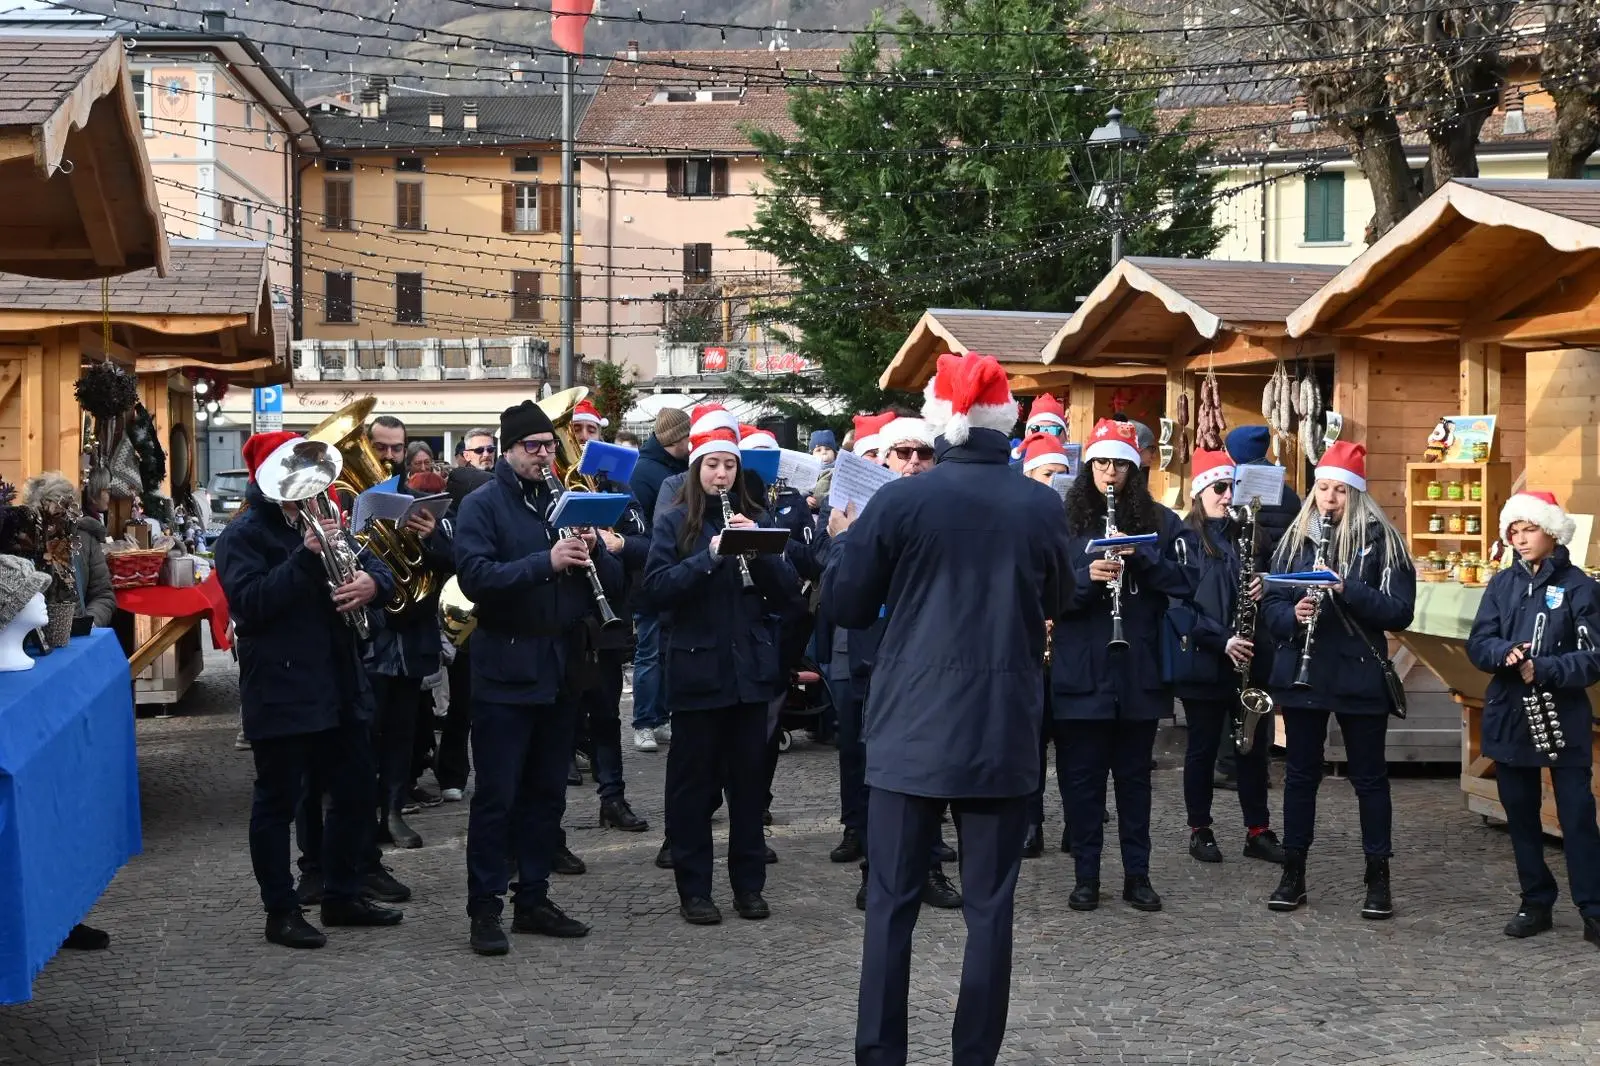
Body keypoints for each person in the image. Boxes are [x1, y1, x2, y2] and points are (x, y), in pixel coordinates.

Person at [825, 354, 1072, 1066]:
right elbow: (1061, 598)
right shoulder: (1039, 504)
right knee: (990, 910)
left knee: (890, 905)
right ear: (1004, 423)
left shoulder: (901, 500)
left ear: (943, 422)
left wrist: (843, 544)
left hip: (912, 726)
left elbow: (846, 605)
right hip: (1002, 725)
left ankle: (881, 1055)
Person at [214, 430, 405, 949]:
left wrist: (373, 584)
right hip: (282, 684)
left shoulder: (324, 517)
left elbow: (377, 569)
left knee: (354, 791)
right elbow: (250, 604)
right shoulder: (243, 535)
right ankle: (281, 910)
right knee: (278, 801)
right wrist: (304, 557)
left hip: (340, 678)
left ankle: (343, 894)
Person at [453, 400, 623, 955]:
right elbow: (475, 578)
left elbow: (612, 582)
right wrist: (544, 563)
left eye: (550, 446)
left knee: (547, 794)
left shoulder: (561, 500)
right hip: (505, 667)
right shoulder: (482, 504)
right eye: (534, 446)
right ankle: (484, 909)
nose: (545, 455)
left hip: (560, 667)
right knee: (497, 797)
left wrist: (595, 552)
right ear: (509, 449)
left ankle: (533, 898)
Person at [638, 419, 802, 925]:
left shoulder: (756, 517)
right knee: (692, 788)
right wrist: (709, 558)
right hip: (697, 671)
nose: (722, 474)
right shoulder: (674, 520)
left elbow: (788, 596)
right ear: (696, 469)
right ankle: (695, 890)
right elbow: (656, 591)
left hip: (750, 671)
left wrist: (761, 552)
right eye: (713, 465)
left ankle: (749, 887)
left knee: (749, 788)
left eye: (730, 465)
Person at [1261, 441, 1414, 920]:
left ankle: (1378, 877)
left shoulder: (1382, 541)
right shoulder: (1296, 539)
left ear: (1357, 494)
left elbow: (1399, 611)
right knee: (1300, 776)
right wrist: (1293, 614)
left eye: (1340, 490)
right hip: (1305, 673)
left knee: (1369, 779)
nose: (1329, 498)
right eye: (1323, 488)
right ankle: (1293, 872)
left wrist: (1347, 588)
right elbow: (1272, 604)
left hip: (1357, 672)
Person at [1054, 419, 1197, 914]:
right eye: (1101, 463)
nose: (1109, 472)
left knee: (1135, 782)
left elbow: (1189, 582)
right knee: (1083, 783)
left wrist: (1143, 558)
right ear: (1089, 467)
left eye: (1119, 464)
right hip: (1081, 673)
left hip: (1138, 672)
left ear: (1134, 470)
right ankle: (1086, 877)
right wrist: (1084, 578)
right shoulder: (1064, 523)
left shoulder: (1160, 522)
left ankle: (1138, 875)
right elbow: (1042, 592)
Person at [822, 414, 961, 910]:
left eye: (923, 454)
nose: (913, 462)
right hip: (872, 654)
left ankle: (930, 868)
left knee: (932, 768)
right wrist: (844, 540)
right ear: (883, 461)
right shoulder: (860, 509)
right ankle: (876, 870)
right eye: (903, 453)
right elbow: (839, 591)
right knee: (872, 770)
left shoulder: (946, 509)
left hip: (930, 657)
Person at [1467, 491, 1600, 947]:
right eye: (1514, 531)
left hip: (1564, 716)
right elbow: (1478, 642)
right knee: (1521, 817)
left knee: (1577, 817)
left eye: (1529, 529)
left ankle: (1593, 908)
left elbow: (1594, 657)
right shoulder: (1502, 584)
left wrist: (1545, 668)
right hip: (1510, 713)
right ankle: (1536, 900)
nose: (1520, 539)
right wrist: (1503, 652)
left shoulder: (1581, 587)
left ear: (1552, 533)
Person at [1171, 450, 1285, 867]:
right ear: (1200, 492)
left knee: (1252, 749)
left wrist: (1268, 584)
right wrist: (1222, 640)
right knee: (1202, 749)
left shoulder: (1250, 535)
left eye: (1232, 488)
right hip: (1206, 659)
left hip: (1249, 658)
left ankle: (1258, 829)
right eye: (1219, 488)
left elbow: (1277, 583)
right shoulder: (1185, 541)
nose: (1226, 496)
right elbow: (1179, 607)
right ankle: (1199, 828)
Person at [566, 397, 649, 836]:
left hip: (607, 617)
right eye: (575, 430)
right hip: (560, 616)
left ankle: (613, 797)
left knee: (606, 713)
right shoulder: (550, 484)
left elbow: (642, 542)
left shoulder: (618, 488)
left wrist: (612, 542)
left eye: (590, 431)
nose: (582, 438)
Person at [1218, 424, 1302, 790]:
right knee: (1260, 682)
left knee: (1235, 677)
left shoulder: (1231, 490)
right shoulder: (1290, 495)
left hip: (1241, 596)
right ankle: (1258, 759)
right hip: (1272, 597)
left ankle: (1230, 762)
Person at [1017, 432, 1070, 858]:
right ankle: (1031, 823)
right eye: (1049, 475)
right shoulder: (1017, 519)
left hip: (1070, 648)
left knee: (1072, 746)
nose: (1057, 483)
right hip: (1030, 646)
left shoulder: (1077, 520)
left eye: (1063, 475)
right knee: (1030, 744)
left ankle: (1077, 822)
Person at [628, 406, 691, 753]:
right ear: (675, 438)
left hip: (674, 571)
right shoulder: (644, 471)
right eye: (687, 436)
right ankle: (643, 723)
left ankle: (662, 716)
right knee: (649, 653)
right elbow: (642, 526)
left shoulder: (681, 466)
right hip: (649, 574)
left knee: (666, 651)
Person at [434, 462, 495, 803]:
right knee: (461, 705)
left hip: (490, 618)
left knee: (480, 707)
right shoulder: (448, 523)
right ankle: (451, 772)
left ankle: (471, 773)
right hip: (460, 619)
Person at [21, 472, 115, 628]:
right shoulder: (20, 544)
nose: (52, 525)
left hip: (78, 632)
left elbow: (103, 596)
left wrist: (90, 623)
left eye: (60, 516)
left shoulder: (85, 539)